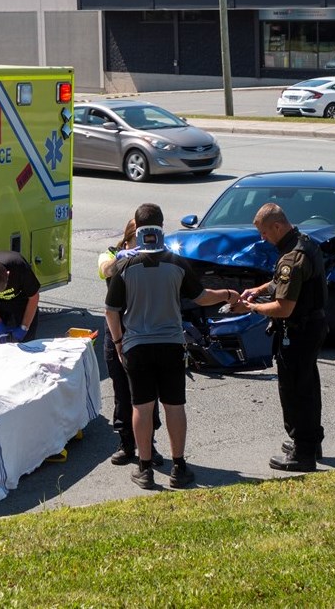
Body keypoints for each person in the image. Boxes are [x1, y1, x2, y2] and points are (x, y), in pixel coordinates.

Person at [104, 203, 235, 490]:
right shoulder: (176, 263)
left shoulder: (124, 266)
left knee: (142, 406)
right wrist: (227, 294)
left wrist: (118, 343)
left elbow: (111, 311)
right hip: (171, 345)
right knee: (174, 405)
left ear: (137, 229)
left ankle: (145, 469)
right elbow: (201, 297)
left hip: (137, 346)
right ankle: (179, 466)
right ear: (161, 227)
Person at [229, 203, 327, 473]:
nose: (262, 238)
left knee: (295, 390)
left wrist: (251, 307)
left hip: (298, 331)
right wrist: (257, 290)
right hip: (312, 326)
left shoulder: (291, 258)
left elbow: (284, 308)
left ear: (277, 226)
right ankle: (310, 441)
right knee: (307, 385)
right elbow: (280, 284)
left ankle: (303, 453)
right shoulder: (303, 242)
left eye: (264, 232)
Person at [96, 219, 164, 467]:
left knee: (148, 392)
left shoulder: (155, 255)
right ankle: (126, 443)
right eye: (139, 240)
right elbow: (105, 270)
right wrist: (121, 258)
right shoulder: (111, 254)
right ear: (128, 239)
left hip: (145, 331)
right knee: (122, 391)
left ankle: (149, 445)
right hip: (117, 330)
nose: (145, 244)